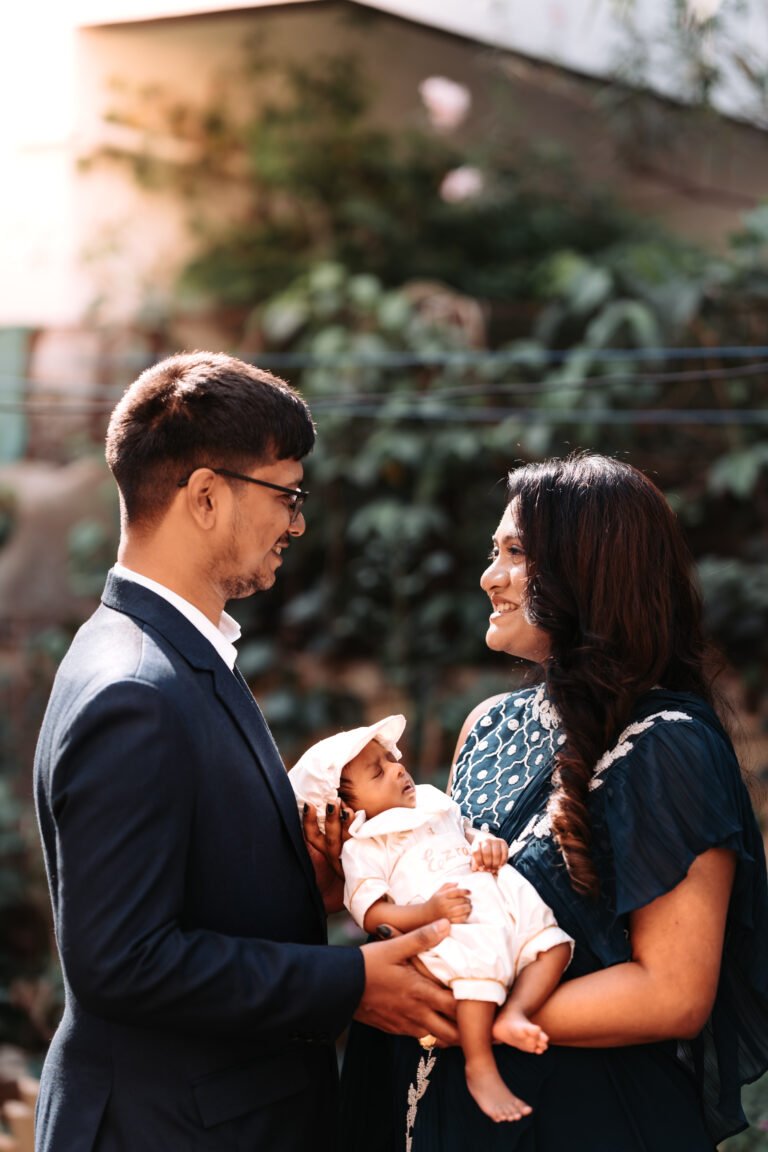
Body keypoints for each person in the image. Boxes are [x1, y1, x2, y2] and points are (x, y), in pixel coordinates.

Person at [32, 351, 458, 1152]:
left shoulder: (168, 654)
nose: (296, 523)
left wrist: (313, 881)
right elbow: (122, 959)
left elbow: (181, 892)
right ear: (204, 496)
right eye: (285, 495)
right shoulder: (136, 688)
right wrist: (351, 981)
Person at [339, 453, 768, 1152]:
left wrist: (453, 1007)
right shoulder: (488, 724)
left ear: (587, 570)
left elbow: (674, 992)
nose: (489, 576)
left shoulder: (669, 745)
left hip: (577, 1113)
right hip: (428, 1102)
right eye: (493, 552)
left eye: (515, 554)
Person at [289, 714, 572, 1124]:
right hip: (449, 923)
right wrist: (429, 913)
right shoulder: (365, 846)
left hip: (497, 896)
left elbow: (466, 832)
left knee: (554, 945)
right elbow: (371, 913)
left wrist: (486, 843)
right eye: (378, 771)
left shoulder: (432, 802)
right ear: (345, 809)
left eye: (391, 758)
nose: (398, 767)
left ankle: (516, 1012)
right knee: (475, 971)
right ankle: (480, 1065)